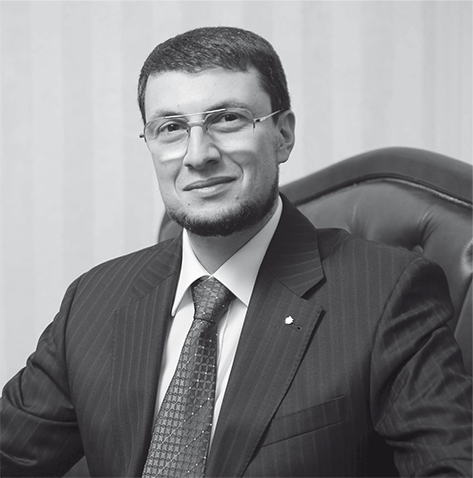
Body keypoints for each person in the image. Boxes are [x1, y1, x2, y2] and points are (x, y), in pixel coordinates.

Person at [1, 26, 471, 478]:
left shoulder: (387, 293)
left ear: (283, 135)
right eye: (170, 127)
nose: (198, 155)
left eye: (227, 119)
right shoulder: (93, 300)